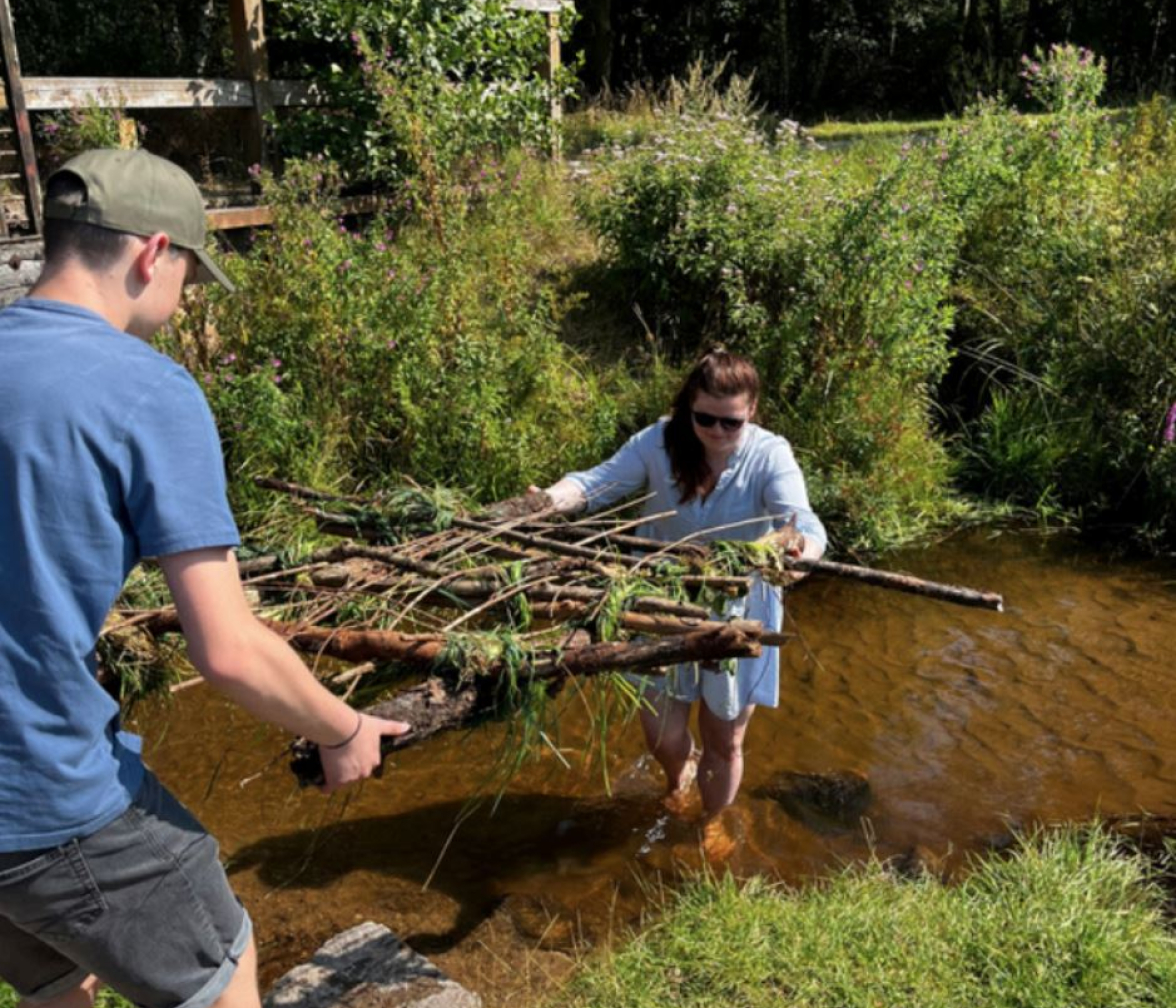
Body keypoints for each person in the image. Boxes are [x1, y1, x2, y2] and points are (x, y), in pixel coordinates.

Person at [0, 149, 410, 1008]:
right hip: (39, 791)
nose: (183, 304)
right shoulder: (147, 391)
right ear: (152, 253)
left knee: (53, 979)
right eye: (187, 275)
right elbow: (225, 649)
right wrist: (341, 729)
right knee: (221, 961)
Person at [534, 349, 826, 822]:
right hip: (657, 606)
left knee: (725, 740)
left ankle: (711, 823)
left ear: (751, 411)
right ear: (688, 406)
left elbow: (805, 524)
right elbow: (598, 484)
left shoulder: (771, 454)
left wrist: (800, 554)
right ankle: (678, 779)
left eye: (730, 423)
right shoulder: (658, 442)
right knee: (661, 737)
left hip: (737, 612)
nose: (716, 431)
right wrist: (549, 501)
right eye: (704, 418)